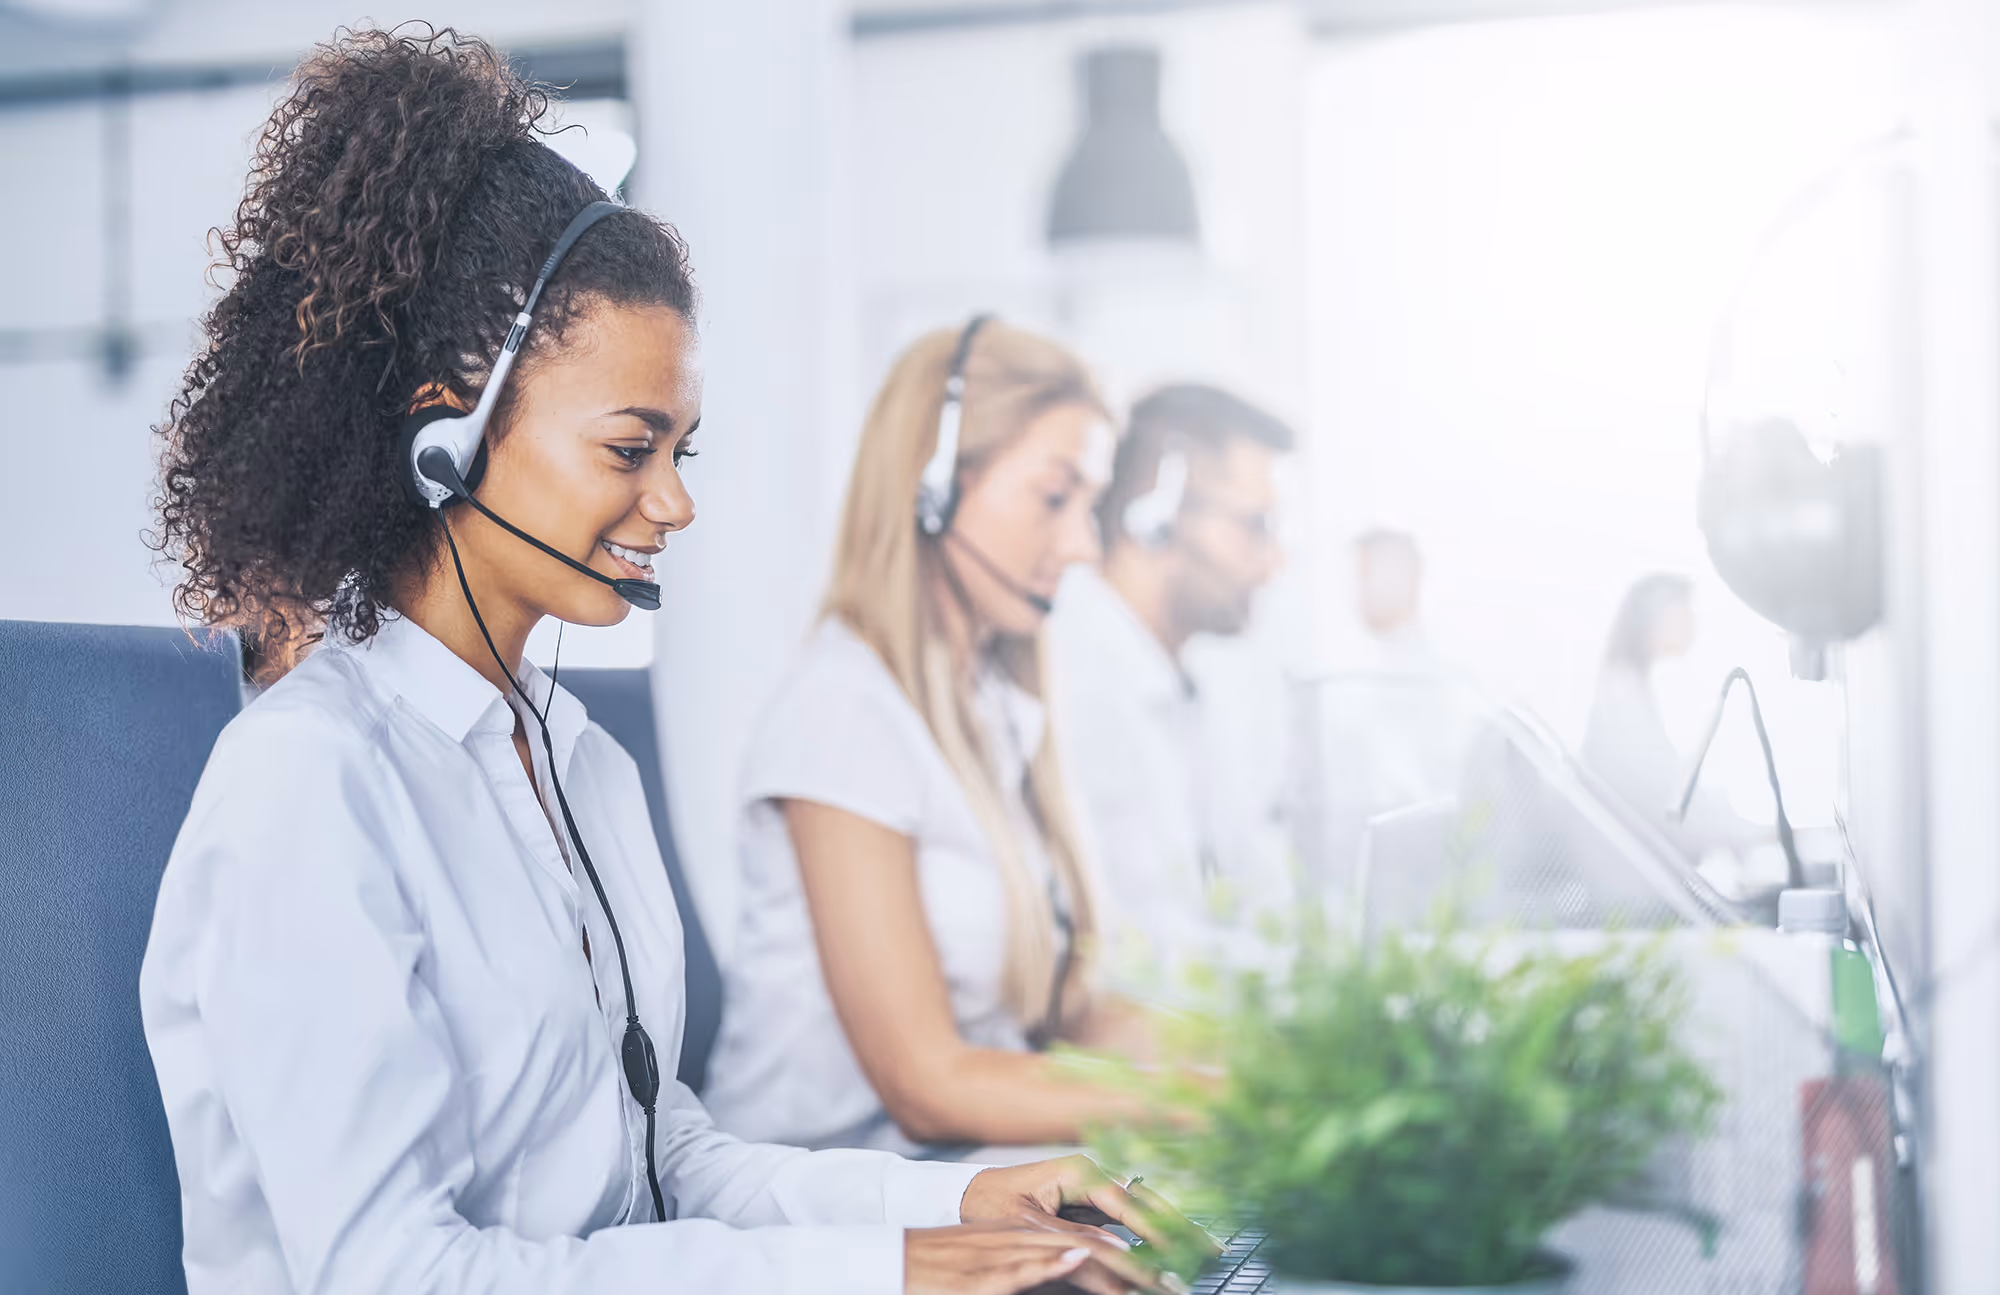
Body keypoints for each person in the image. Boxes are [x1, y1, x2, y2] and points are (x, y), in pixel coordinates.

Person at [139, 30, 1175, 1295]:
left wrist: (957, 1200)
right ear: (443, 440)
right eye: (631, 449)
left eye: (682, 450)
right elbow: (392, 1270)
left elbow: (666, 1155)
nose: (673, 503)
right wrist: (886, 1276)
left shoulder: (577, 762)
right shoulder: (310, 783)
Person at [704, 318, 1151, 1157]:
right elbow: (929, 1086)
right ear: (932, 490)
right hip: (828, 1229)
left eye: (1091, 505)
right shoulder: (842, 713)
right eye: (1057, 498)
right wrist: (1199, 1109)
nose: (1085, 545)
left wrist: (1276, 1066)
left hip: (971, 1200)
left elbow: (1069, 1014)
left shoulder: (991, 706)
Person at [1042, 384, 1293, 982]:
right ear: (1154, 517)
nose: (1273, 561)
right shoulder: (1071, 685)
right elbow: (1130, 960)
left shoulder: (1190, 686)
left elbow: (1251, 900)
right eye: (1254, 526)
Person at [1581, 573, 1762, 857]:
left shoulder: (1629, 687)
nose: (1693, 628)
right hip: (1634, 883)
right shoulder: (1622, 698)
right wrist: (1756, 834)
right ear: (1651, 623)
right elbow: (1669, 805)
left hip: (1641, 869)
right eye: (1683, 618)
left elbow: (1672, 792)